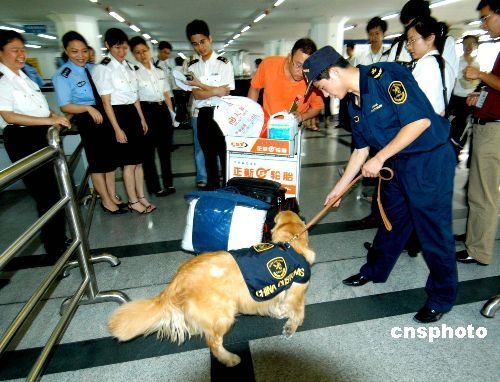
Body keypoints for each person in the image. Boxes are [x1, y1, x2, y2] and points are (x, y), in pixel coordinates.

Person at [303, 46, 457, 323]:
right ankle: (374, 270)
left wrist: (381, 157)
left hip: (428, 160)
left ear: (335, 72)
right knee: (390, 221)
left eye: (322, 86)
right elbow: (361, 150)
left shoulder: (386, 76)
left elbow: (419, 122)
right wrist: (339, 188)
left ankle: (442, 296)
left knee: (432, 229)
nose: (323, 94)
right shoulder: (353, 102)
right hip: (397, 164)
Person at [0, 30, 71, 261]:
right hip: (22, 139)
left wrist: (52, 115)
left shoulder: (23, 77)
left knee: (56, 191)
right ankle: (54, 248)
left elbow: (37, 109)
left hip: (40, 135)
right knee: (46, 195)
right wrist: (50, 120)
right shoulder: (2, 81)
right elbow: (10, 116)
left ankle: (59, 240)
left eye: (23, 49)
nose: (21, 54)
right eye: (14, 50)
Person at [52, 31, 126, 215]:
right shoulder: (63, 75)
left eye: (84, 51)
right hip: (88, 119)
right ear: (66, 52)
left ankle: (112, 195)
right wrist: (87, 109)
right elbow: (65, 105)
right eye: (75, 51)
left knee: (109, 160)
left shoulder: (93, 68)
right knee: (98, 162)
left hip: (104, 115)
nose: (81, 56)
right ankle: (106, 201)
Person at [92, 28, 155, 214]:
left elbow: (134, 96)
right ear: (107, 46)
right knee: (129, 163)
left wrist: (142, 119)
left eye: (124, 47)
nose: (122, 51)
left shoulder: (128, 66)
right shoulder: (103, 68)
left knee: (138, 162)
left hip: (133, 114)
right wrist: (117, 129)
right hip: (118, 116)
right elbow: (106, 102)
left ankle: (141, 197)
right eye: (117, 47)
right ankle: (133, 201)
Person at [456, 0, 500, 266]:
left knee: (484, 193)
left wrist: (480, 75)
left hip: (494, 130)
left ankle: (479, 250)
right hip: (487, 126)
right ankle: (474, 240)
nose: (484, 24)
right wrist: (480, 94)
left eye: (486, 18)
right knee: (478, 191)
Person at [185, 19, 235, 190]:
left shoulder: (224, 63)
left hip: (221, 114)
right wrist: (214, 90)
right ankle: (213, 187)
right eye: (195, 44)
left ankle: (228, 187)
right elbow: (197, 95)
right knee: (208, 155)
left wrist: (202, 85)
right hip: (203, 115)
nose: (200, 47)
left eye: (203, 41)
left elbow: (226, 91)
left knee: (224, 153)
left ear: (210, 39)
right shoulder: (192, 67)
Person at [130, 36, 176, 198]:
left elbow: (166, 94)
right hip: (146, 111)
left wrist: (172, 114)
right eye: (137, 53)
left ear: (149, 50)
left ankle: (169, 183)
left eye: (144, 51)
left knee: (165, 150)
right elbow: (135, 98)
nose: (142, 55)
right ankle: (155, 187)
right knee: (148, 153)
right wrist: (141, 119)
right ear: (134, 55)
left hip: (162, 109)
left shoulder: (159, 71)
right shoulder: (133, 73)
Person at [248, 38, 324, 129]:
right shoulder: (269, 65)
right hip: (268, 125)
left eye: (307, 68)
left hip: (293, 129)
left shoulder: (312, 79)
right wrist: (251, 115)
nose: (302, 72)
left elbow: (317, 106)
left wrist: (302, 116)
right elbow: (255, 88)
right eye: (298, 65)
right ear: (289, 57)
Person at [384, 0, 458, 79]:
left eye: (413, 25)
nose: (409, 30)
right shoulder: (398, 47)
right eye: (407, 27)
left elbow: (449, 77)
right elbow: (387, 76)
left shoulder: (445, 43)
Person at [406, 17, 455, 116]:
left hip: (422, 125)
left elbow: (412, 102)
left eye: (412, 40)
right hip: (437, 124)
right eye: (408, 42)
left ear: (430, 38)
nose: (408, 47)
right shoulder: (446, 65)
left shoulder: (426, 64)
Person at [448, 35, 480, 157]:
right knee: (456, 126)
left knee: (467, 127)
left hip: (471, 99)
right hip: (457, 99)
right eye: (466, 44)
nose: (468, 46)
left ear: (476, 46)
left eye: (471, 44)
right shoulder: (457, 61)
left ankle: (458, 150)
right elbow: (453, 80)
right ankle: (452, 151)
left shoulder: (477, 63)